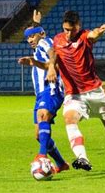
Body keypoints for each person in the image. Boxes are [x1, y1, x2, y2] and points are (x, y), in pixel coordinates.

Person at [46, 10, 105, 171]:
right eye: (66, 29)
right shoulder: (58, 39)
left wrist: (101, 30)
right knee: (69, 119)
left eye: (72, 30)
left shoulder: (84, 36)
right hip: (74, 94)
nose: (68, 34)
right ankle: (82, 158)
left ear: (78, 26)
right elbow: (53, 52)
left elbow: (93, 35)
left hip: (94, 92)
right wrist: (52, 67)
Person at [18, 10, 69, 173]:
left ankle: (41, 156)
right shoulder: (39, 46)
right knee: (39, 136)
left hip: (51, 88)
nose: (29, 40)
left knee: (43, 116)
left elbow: (52, 52)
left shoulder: (44, 42)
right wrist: (37, 24)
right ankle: (61, 164)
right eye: (27, 38)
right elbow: (41, 37)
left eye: (32, 36)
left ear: (40, 34)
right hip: (41, 94)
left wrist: (52, 67)